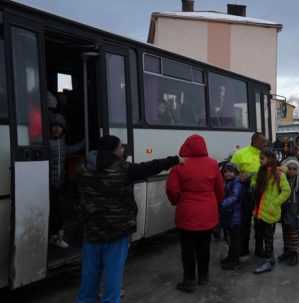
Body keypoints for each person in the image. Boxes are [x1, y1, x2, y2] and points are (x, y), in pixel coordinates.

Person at [77, 135, 178, 302]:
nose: (123, 150)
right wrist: (174, 160)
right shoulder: (123, 168)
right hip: (116, 231)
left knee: (89, 274)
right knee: (113, 274)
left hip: (91, 230)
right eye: (121, 147)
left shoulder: (83, 168)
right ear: (114, 150)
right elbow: (151, 167)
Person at [166, 135, 224, 293]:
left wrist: (177, 200)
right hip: (208, 214)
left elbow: (172, 189)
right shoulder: (213, 164)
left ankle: (189, 280)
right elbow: (220, 189)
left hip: (187, 214)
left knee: (187, 249)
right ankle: (204, 277)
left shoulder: (179, 166)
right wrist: (215, 203)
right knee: (204, 247)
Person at [49, 113, 84, 248]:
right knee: (55, 211)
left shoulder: (62, 144)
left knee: (59, 211)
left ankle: (57, 236)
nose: (57, 129)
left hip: (60, 184)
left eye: (60, 127)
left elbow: (72, 149)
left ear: (63, 129)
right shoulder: (46, 143)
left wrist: (84, 142)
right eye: (54, 126)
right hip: (50, 184)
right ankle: (55, 236)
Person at [252, 150, 291, 274]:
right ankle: (267, 257)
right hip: (259, 210)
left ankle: (270, 260)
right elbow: (255, 183)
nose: (260, 160)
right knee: (261, 235)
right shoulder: (261, 171)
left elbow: (286, 191)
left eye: (262, 158)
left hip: (270, 211)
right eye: (260, 158)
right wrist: (253, 183)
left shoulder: (279, 174)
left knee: (268, 237)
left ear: (270, 159)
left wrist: (274, 203)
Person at [230, 132, 267, 258]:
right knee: (244, 221)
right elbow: (230, 173)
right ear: (254, 141)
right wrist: (239, 177)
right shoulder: (240, 154)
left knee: (260, 221)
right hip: (245, 192)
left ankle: (259, 249)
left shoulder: (266, 155)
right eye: (263, 141)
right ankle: (243, 248)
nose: (265, 143)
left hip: (261, 192)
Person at [279, 157, 299, 266]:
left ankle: (294, 254)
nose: (291, 171)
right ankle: (287, 251)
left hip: (295, 212)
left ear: (298, 170)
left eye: (294, 169)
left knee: (293, 234)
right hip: (285, 210)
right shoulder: (283, 179)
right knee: (285, 232)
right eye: (289, 168)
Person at [219, 163, 245, 271]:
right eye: (225, 172)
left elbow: (234, 197)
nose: (228, 174)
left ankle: (235, 261)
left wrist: (221, 204)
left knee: (235, 240)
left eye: (230, 171)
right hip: (229, 216)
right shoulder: (227, 182)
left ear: (236, 172)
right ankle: (230, 257)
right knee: (230, 239)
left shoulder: (237, 183)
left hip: (235, 217)